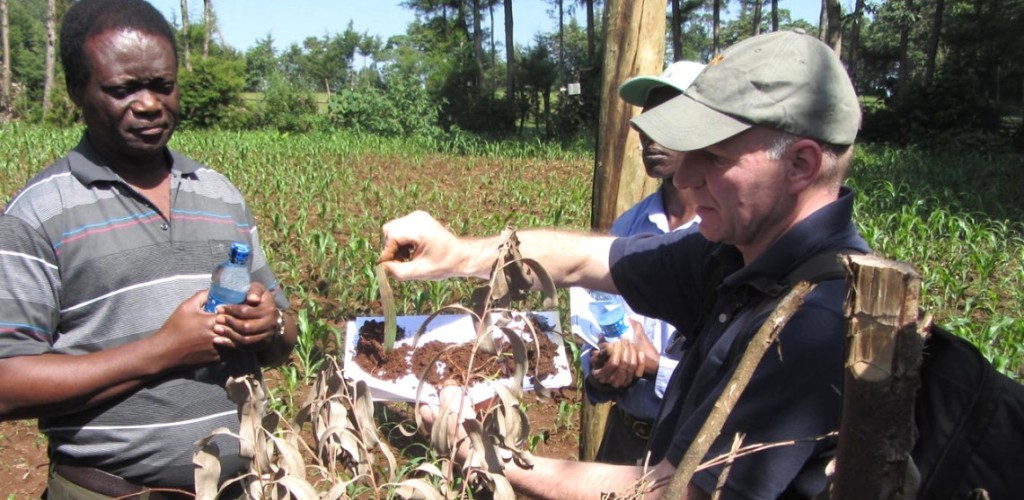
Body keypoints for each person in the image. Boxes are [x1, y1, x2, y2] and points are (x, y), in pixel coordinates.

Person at [380, 30, 866, 499]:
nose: (686, 177)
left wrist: (482, 452)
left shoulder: (817, 318)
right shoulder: (733, 253)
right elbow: (583, 260)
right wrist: (459, 254)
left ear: (800, 165)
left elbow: (680, 493)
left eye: (714, 157)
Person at [0, 0, 296, 496]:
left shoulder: (219, 193)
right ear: (76, 91)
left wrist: (269, 326)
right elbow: (6, 385)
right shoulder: (38, 213)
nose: (149, 105)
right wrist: (161, 351)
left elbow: (284, 338)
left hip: (241, 485)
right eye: (123, 90)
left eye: (163, 85)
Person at [570, 60, 704, 466]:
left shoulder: (728, 237)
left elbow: (734, 381)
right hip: (625, 438)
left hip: (691, 451)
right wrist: (602, 365)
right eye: (646, 121)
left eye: (668, 118)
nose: (647, 134)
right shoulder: (629, 225)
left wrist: (653, 368)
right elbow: (594, 324)